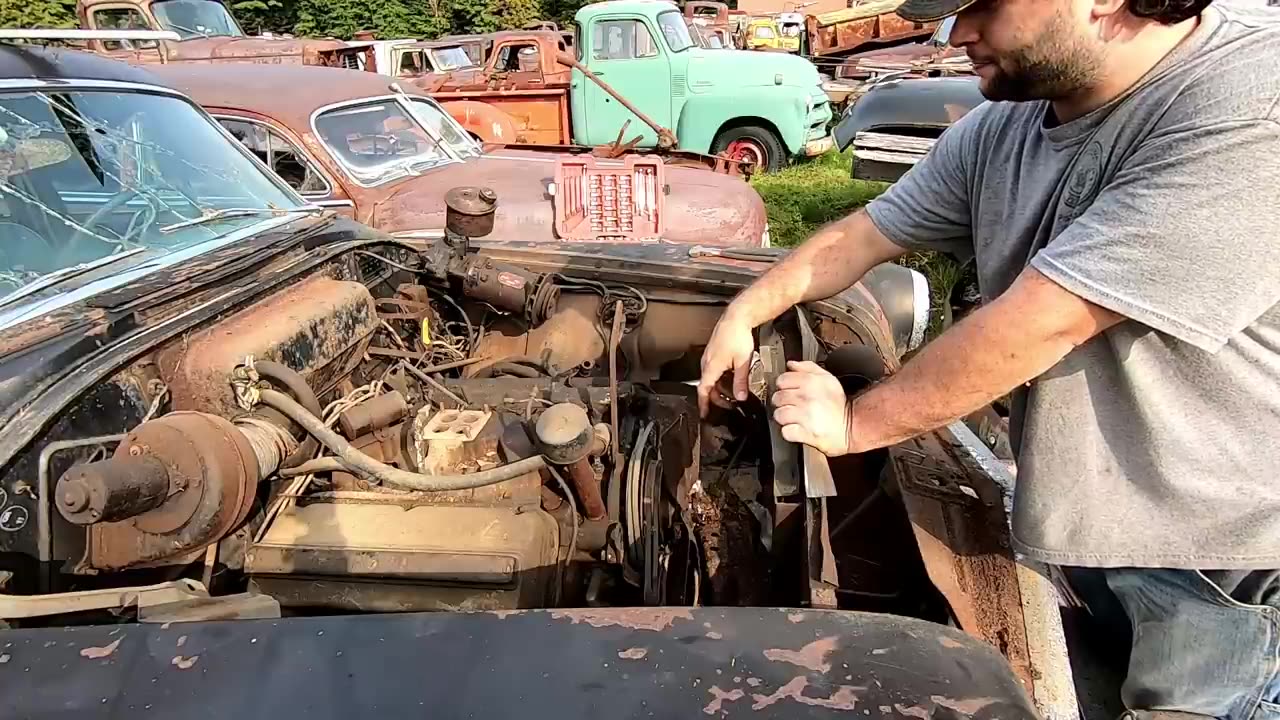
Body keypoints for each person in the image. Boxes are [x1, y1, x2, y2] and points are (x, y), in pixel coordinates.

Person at [697, 0, 1280, 717]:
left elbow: (1047, 319)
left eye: (983, 6)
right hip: (1088, 521)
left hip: (1219, 563)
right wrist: (745, 311)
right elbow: (866, 233)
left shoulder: (1248, 104)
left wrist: (854, 426)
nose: (952, 33)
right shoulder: (1008, 123)